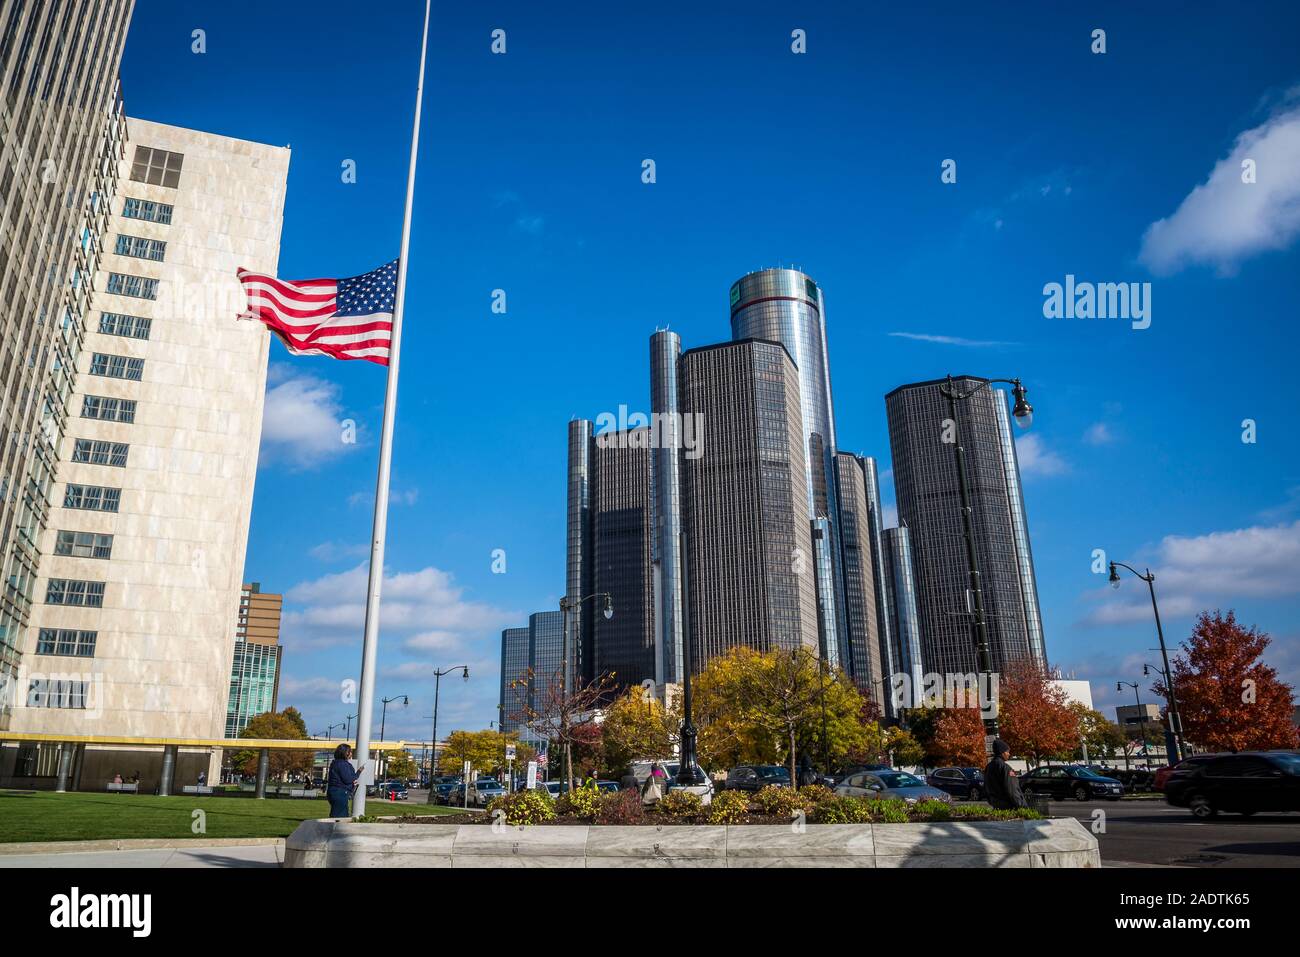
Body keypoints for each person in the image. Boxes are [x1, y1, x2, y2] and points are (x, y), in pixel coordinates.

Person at [984, 739, 1027, 810]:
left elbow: (986, 788)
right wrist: (1022, 807)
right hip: (1009, 807)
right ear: (1002, 752)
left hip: (996, 806)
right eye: (1007, 752)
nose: (1009, 754)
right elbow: (1012, 790)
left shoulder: (989, 767)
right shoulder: (1005, 768)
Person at [326, 744, 360, 818]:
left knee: (338, 814)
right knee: (340, 817)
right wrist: (357, 774)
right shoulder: (342, 764)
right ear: (345, 753)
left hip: (335, 792)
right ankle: (333, 829)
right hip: (340, 793)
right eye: (350, 751)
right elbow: (347, 779)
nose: (351, 753)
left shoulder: (336, 763)